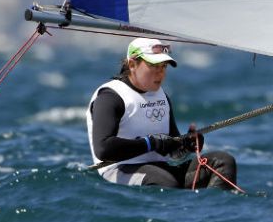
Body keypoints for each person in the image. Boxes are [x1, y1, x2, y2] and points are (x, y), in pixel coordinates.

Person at [86, 37, 238, 190]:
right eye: (154, 66)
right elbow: (103, 149)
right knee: (166, 183)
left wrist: (186, 145)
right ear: (132, 64)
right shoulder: (110, 97)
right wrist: (150, 143)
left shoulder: (161, 96)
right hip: (119, 170)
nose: (161, 73)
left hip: (160, 169)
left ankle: (213, 211)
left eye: (164, 66)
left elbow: (173, 152)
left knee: (223, 161)